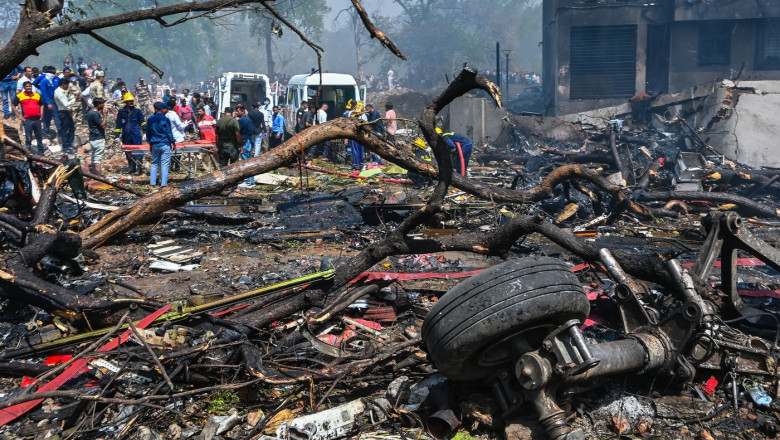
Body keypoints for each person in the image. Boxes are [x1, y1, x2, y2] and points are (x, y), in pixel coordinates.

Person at [115, 92, 146, 175]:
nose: (131, 102)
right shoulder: (121, 112)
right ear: (125, 102)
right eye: (129, 101)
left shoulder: (137, 111)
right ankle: (131, 168)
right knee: (128, 152)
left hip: (136, 135)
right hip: (126, 135)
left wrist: (145, 132)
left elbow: (142, 122)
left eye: (132, 100)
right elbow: (118, 124)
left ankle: (139, 169)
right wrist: (117, 136)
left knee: (138, 152)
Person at [146, 102, 176, 187]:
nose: (167, 110)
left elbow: (148, 132)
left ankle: (152, 183)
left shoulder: (150, 119)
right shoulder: (165, 119)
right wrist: (172, 142)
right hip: (165, 144)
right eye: (166, 109)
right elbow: (169, 132)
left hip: (155, 144)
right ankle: (163, 184)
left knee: (154, 164)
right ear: (161, 109)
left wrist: (150, 142)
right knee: (165, 165)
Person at [13, 81, 44, 155]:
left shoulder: (37, 95)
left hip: (37, 119)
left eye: (30, 86)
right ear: (24, 87)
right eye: (26, 86)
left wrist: (41, 114)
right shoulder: (20, 96)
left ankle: (41, 152)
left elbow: (42, 104)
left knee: (39, 137)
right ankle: (28, 153)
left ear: (32, 87)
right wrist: (18, 116)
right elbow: (13, 105)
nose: (28, 87)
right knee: (28, 137)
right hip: (27, 120)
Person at [33, 66, 60, 141]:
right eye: (50, 73)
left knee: (56, 115)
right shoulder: (43, 78)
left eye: (53, 73)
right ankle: (46, 131)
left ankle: (59, 132)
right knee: (50, 116)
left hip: (56, 98)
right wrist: (41, 88)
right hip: (48, 98)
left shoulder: (57, 78)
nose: (52, 74)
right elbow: (34, 83)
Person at [55, 78, 78, 156]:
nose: (67, 87)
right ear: (63, 85)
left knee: (71, 128)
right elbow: (66, 104)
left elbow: (66, 99)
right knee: (66, 130)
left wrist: (72, 97)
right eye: (67, 85)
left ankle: (69, 144)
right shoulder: (59, 93)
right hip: (63, 112)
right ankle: (66, 146)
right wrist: (74, 99)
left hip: (65, 112)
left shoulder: (61, 92)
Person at [86, 97, 108, 175]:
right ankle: (97, 176)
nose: (104, 105)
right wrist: (105, 115)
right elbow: (103, 125)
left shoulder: (91, 112)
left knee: (94, 156)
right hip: (98, 137)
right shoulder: (95, 114)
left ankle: (94, 175)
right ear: (98, 105)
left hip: (93, 137)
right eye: (102, 103)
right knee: (97, 158)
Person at [166, 99, 186, 172]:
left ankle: (171, 167)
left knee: (171, 152)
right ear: (174, 106)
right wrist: (185, 124)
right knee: (178, 153)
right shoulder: (174, 115)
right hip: (177, 136)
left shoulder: (166, 115)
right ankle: (176, 168)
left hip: (170, 136)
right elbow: (180, 127)